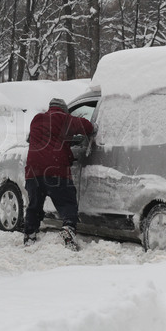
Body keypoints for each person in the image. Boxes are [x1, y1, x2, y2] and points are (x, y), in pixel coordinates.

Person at [23, 98, 95, 251]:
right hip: (55, 171)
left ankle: (29, 234)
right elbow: (88, 127)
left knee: (34, 206)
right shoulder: (64, 119)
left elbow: (38, 138)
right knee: (67, 203)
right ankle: (68, 230)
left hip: (33, 171)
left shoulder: (36, 119)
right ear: (64, 109)